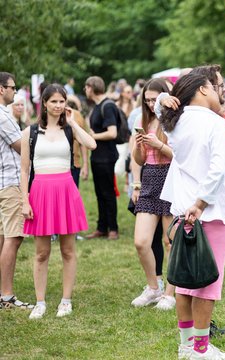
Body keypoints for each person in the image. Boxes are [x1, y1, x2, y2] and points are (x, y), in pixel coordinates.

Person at [160, 72, 225, 359]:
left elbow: (159, 107)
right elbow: (218, 167)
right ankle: (201, 349)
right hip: (211, 211)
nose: (222, 91)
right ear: (203, 88)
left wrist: (162, 99)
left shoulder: (177, 121)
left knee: (184, 281)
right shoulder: (215, 124)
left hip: (185, 210)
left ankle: (186, 345)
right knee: (207, 283)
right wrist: (203, 201)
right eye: (217, 85)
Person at [20, 84, 96, 319]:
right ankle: (40, 302)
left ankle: (66, 300)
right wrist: (25, 200)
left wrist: (73, 123)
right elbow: (24, 170)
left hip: (65, 190)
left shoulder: (69, 130)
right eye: (53, 101)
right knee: (41, 252)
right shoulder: (30, 132)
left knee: (68, 250)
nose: (58, 105)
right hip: (40, 191)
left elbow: (91, 144)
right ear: (44, 103)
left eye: (61, 101)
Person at [130, 78, 177, 310]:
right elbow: (138, 159)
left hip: (170, 177)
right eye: (147, 100)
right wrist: (141, 146)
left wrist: (158, 144)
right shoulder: (143, 120)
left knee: (171, 241)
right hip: (149, 179)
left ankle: (170, 292)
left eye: (154, 99)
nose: (150, 104)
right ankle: (153, 287)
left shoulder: (174, 121)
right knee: (141, 241)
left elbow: (179, 155)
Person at [0, 72, 33, 310]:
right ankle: (7, 296)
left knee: (3, 238)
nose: (14, 91)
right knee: (14, 237)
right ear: (1, 89)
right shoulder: (3, 116)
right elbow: (22, 147)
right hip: (10, 182)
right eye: (12, 87)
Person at [84, 76, 120, 240]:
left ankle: (113, 228)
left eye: (86, 87)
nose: (85, 90)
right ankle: (101, 227)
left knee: (108, 193)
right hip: (97, 157)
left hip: (107, 157)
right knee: (99, 192)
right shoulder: (96, 106)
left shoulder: (108, 105)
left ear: (91, 87)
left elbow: (112, 132)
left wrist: (94, 136)